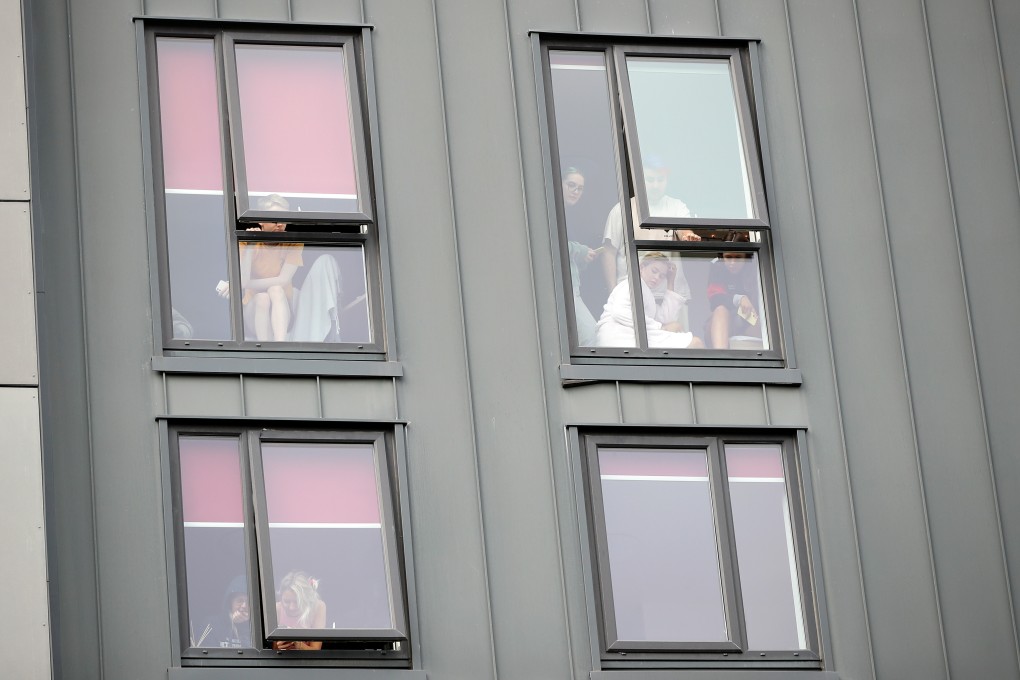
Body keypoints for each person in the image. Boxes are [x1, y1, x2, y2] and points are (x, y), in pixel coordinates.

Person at [601, 156, 700, 296]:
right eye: (650, 180)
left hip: (670, 294)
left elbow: (684, 231)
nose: (655, 185)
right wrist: (612, 292)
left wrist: (688, 235)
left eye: (660, 180)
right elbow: (608, 252)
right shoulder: (622, 210)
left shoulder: (676, 206)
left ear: (667, 181)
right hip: (632, 294)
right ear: (640, 180)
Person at [216, 193, 303, 341]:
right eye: (274, 219)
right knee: (262, 298)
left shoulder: (293, 242)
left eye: (284, 219)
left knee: (276, 289)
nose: (280, 224)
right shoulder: (246, 243)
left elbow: (283, 280)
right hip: (253, 312)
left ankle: (280, 346)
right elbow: (243, 280)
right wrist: (250, 246)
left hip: (283, 309)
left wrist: (236, 285)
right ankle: (266, 349)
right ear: (261, 221)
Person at [595, 252, 704, 349]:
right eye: (654, 271)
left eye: (662, 276)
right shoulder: (630, 284)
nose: (657, 278)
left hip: (634, 337)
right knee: (695, 343)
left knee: (682, 332)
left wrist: (670, 281)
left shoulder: (647, 294)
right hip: (620, 336)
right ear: (642, 267)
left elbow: (666, 318)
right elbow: (620, 312)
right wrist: (660, 327)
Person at [562, 167, 600, 345]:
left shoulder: (566, 214)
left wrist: (582, 259)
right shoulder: (550, 210)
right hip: (564, 290)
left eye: (580, 188)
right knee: (592, 337)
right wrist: (582, 251)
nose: (575, 191)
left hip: (570, 287)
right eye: (571, 185)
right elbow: (552, 242)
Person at [706, 249, 762, 349]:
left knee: (762, 321)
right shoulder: (717, 265)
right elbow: (715, 299)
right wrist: (739, 299)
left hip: (749, 321)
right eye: (728, 257)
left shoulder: (757, 266)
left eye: (738, 257)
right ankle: (721, 357)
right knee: (720, 310)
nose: (732, 263)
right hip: (724, 322)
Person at [273, 570, 327, 651]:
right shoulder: (276, 609)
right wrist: (278, 647)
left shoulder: (318, 607)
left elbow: (316, 650)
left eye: (297, 602)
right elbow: (272, 650)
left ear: (306, 599)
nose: (291, 607)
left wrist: (299, 645)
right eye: (287, 601)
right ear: (280, 598)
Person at [196, 575, 250, 649]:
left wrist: (244, 626)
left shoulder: (255, 628)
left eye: (248, 602)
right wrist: (231, 625)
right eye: (239, 601)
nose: (244, 605)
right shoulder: (211, 625)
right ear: (230, 602)